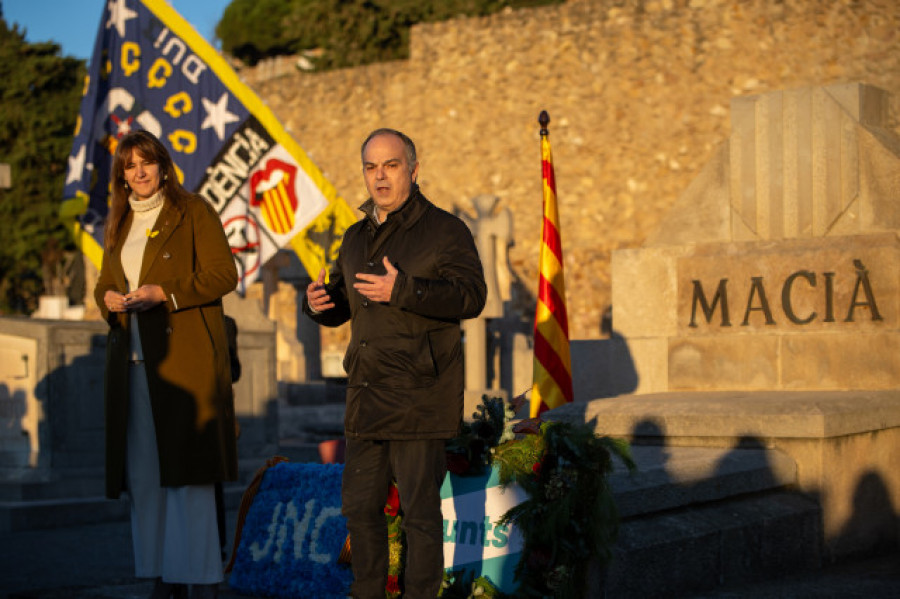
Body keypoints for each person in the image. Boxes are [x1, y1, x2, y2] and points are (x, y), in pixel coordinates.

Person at [303, 128, 487, 598]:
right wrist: (320, 305)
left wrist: (403, 288)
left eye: (390, 165)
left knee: (420, 517)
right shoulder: (355, 237)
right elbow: (347, 303)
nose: (379, 176)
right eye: (371, 167)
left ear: (413, 169)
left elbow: (471, 296)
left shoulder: (446, 230)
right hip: (365, 393)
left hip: (420, 395)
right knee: (361, 511)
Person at [94, 130, 239, 599]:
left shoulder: (192, 210)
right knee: (145, 476)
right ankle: (161, 575)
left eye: (146, 162)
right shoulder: (117, 223)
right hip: (133, 365)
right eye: (129, 166)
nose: (139, 172)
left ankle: (199, 579)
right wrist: (109, 299)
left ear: (162, 165)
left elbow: (223, 274)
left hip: (183, 362)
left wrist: (166, 294)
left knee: (188, 476)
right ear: (121, 175)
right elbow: (103, 284)